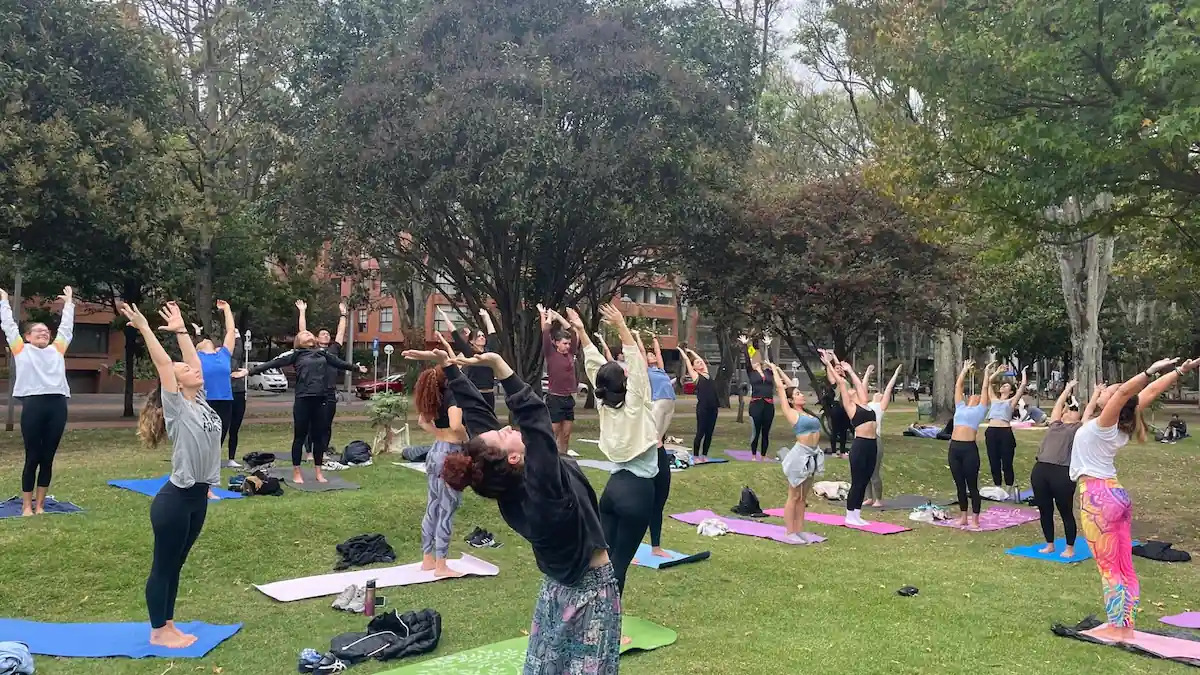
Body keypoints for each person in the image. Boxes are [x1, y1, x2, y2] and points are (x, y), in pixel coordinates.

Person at [415, 346, 618, 673]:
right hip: (589, 591)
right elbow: (536, 420)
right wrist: (501, 367)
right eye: (503, 434)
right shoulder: (544, 492)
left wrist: (451, 370)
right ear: (512, 457)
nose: (507, 427)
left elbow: (478, 417)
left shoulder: (507, 483)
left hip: (556, 587)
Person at [119, 301, 228, 650]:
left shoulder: (201, 401)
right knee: (163, 566)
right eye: (185, 370)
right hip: (175, 500)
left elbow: (192, 361)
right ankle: (157, 631)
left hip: (198, 499)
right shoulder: (177, 406)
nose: (193, 369)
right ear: (176, 384)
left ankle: (168, 624)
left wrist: (181, 330)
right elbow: (165, 364)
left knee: (176, 565)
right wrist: (145, 328)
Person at [1070, 356, 1199, 641]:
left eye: (1110, 390)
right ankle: (1124, 623)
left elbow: (1130, 392)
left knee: (1109, 567)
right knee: (1123, 565)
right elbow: (1149, 392)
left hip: (1097, 498)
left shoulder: (1106, 423)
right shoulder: (1118, 422)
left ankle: (1117, 626)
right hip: (1115, 494)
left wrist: (1149, 371)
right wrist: (1179, 371)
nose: (1105, 390)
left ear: (1115, 400)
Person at [572, 305, 661, 592]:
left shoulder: (603, 403)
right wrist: (621, 325)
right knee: (619, 565)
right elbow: (635, 361)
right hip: (637, 492)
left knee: (600, 562)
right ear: (625, 382)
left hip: (612, 491)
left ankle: (589, 612)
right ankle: (611, 619)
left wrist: (582, 332)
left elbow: (594, 366)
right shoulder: (635, 401)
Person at [246, 332, 365, 483]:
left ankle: (318, 472)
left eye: (309, 333)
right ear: (299, 341)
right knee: (299, 437)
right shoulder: (296, 355)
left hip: (321, 399)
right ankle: (297, 472)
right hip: (303, 399)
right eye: (304, 334)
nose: (308, 334)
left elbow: (340, 363)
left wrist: (356, 368)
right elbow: (273, 363)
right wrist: (249, 371)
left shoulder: (323, 354)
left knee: (319, 437)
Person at [0, 286, 74, 517]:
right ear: (28, 337)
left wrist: (69, 303)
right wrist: (4, 301)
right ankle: (26, 506)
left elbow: (67, 328)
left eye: (46, 331)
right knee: (32, 457)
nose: (43, 333)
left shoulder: (57, 350)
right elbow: (8, 326)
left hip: (57, 405)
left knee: (47, 457)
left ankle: (40, 505)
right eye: (38, 331)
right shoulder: (21, 350)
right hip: (33, 405)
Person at [1030, 380, 1103, 558]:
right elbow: (1058, 406)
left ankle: (1070, 547)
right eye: (1068, 410)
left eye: (1074, 410)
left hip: (1062, 472)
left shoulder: (1079, 428)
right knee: (1045, 509)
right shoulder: (1055, 424)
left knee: (1065, 510)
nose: (1070, 411)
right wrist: (1067, 389)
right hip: (1041, 469)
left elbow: (1089, 411)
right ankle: (1050, 544)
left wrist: (1096, 393)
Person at [413, 366, 467, 577]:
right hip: (451, 454)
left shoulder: (436, 393)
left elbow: (422, 421)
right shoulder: (453, 394)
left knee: (432, 506)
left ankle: (428, 559)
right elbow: (456, 424)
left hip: (435, 450)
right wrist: (467, 438)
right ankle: (441, 565)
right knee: (446, 510)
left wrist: (438, 433)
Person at [818, 350, 876, 527]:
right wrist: (829, 364)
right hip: (860, 445)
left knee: (865, 480)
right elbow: (841, 382)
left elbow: (858, 384)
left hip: (872, 444)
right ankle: (850, 514)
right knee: (857, 481)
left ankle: (857, 514)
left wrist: (850, 370)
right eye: (849, 391)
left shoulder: (864, 403)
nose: (852, 390)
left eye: (854, 390)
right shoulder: (850, 406)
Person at [767, 362, 823, 544]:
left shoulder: (807, 413)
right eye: (798, 394)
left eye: (800, 393)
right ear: (791, 400)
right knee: (794, 495)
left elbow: (790, 386)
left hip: (813, 455)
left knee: (802, 498)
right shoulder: (791, 412)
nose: (802, 395)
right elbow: (782, 389)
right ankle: (790, 532)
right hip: (800, 456)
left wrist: (781, 370)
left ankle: (799, 530)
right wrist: (774, 370)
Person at [296, 299, 347, 463]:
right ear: (316, 339)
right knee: (310, 424)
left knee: (326, 424)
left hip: (329, 393)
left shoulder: (333, 350)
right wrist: (302, 312)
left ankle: (323, 451)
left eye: (327, 334)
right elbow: (303, 332)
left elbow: (340, 333)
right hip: (313, 392)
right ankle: (309, 452)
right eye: (322, 334)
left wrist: (343, 315)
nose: (326, 335)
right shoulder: (311, 350)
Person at [193, 300, 239, 468]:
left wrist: (227, 309)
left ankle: (211, 468)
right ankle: (199, 464)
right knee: (203, 436)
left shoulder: (223, 355)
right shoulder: (197, 358)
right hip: (205, 401)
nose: (207, 340)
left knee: (219, 435)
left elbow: (230, 331)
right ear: (197, 348)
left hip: (225, 401)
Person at [948, 360, 989, 529]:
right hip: (954, 448)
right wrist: (964, 370)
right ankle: (963, 516)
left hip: (969, 450)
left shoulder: (980, 410)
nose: (975, 395)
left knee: (972, 485)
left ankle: (975, 519)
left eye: (978, 396)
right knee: (959, 485)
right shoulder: (960, 407)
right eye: (973, 394)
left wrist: (986, 373)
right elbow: (958, 387)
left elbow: (985, 389)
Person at [539, 304, 579, 455]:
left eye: (568, 343)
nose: (568, 346)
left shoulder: (571, 353)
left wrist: (560, 317)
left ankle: (564, 459)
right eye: (564, 343)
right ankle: (548, 457)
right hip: (555, 398)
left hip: (568, 399)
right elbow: (545, 333)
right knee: (554, 432)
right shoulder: (550, 353)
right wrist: (548, 317)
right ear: (556, 343)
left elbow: (573, 333)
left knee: (566, 434)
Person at [441, 307, 500, 409]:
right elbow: (455, 335)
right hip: (475, 394)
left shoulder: (489, 352)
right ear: (472, 341)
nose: (482, 337)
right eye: (478, 336)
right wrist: (445, 316)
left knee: (490, 418)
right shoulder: (470, 353)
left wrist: (487, 317)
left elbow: (492, 334)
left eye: (483, 336)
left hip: (489, 395)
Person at [863, 364, 904, 507]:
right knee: (864, 471)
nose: (879, 393)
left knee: (874, 472)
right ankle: (869, 498)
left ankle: (878, 499)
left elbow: (889, 389)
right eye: (877, 392)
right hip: (863, 440)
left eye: (881, 394)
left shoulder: (880, 407)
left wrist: (896, 373)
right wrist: (867, 373)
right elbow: (862, 388)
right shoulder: (866, 404)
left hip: (875, 440)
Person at [985, 365, 1027, 495]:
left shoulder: (1011, 401)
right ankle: (997, 486)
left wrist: (1023, 373)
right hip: (991, 432)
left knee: (1007, 462)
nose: (1003, 386)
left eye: (1006, 386)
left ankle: (1008, 487)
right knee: (994, 461)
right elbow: (988, 382)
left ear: (1011, 391)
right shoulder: (994, 399)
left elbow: (1023, 386)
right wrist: (996, 372)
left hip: (1005, 433)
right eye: (1002, 385)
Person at [739, 334, 775, 460]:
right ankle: (754, 455)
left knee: (766, 432)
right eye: (753, 360)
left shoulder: (768, 372)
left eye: (756, 360)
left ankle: (763, 456)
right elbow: (746, 359)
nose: (755, 361)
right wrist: (745, 345)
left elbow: (772, 362)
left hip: (769, 405)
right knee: (756, 431)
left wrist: (768, 346)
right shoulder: (751, 373)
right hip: (756, 405)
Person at [682, 347, 718, 462]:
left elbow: (701, 359)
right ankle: (696, 456)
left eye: (700, 362)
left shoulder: (706, 373)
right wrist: (683, 352)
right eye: (697, 363)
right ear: (694, 368)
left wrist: (692, 352)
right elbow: (687, 361)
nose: (700, 363)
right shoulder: (696, 376)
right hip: (703, 408)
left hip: (713, 407)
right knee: (700, 432)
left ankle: (704, 455)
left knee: (709, 433)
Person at [227, 330, 248, 462]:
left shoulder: (234, 359)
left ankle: (231, 458)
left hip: (238, 394)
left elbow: (239, 351)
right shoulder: (217, 362)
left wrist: (237, 335)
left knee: (234, 429)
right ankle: (212, 459)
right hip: (224, 396)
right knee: (220, 429)